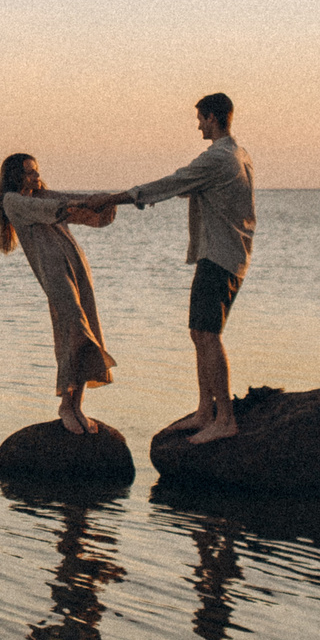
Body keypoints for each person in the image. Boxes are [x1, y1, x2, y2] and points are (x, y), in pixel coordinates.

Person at [86, 93, 254, 444]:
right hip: (225, 254)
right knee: (199, 333)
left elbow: (169, 184)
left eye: (200, 119)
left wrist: (112, 198)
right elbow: (191, 188)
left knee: (208, 335)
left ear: (212, 117)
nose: (198, 125)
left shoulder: (219, 158)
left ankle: (224, 417)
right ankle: (205, 410)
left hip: (220, 256)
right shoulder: (238, 155)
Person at [0, 153, 120, 436]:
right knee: (74, 329)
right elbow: (60, 206)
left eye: (36, 171)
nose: (35, 177)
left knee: (89, 328)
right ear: (14, 176)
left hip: (76, 265)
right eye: (29, 173)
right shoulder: (14, 202)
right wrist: (86, 202)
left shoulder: (44, 196)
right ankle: (66, 405)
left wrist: (111, 198)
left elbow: (72, 199)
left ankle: (77, 405)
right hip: (54, 273)